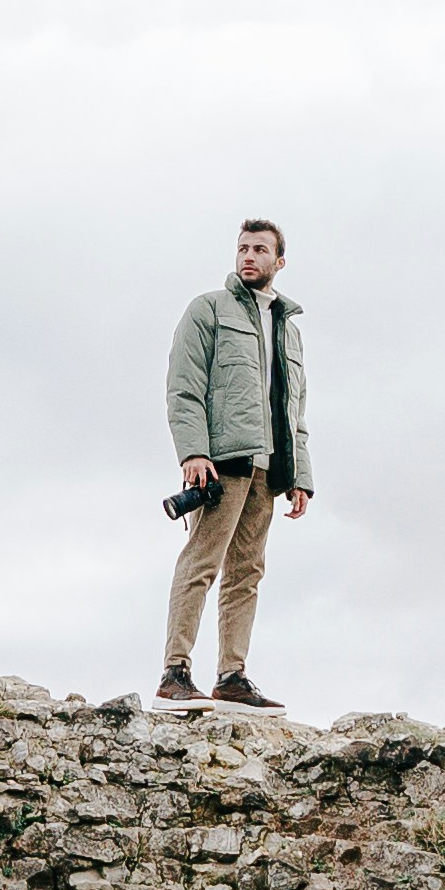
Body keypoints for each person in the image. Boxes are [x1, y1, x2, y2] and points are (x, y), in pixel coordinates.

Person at [159, 217, 312, 708]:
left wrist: (300, 477)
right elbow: (183, 387)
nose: (249, 256)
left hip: (269, 469)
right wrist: (193, 452)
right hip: (221, 460)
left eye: (260, 250)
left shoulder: (288, 329)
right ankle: (175, 672)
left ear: (278, 261)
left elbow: (295, 410)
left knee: (247, 573)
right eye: (243, 248)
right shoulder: (209, 309)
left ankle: (231, 676)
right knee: (201, 562)